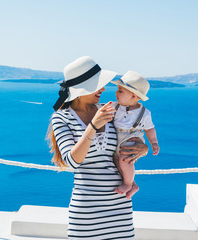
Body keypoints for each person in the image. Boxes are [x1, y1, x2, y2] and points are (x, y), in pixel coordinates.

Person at [48, 56, 148, 239]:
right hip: (86, 213)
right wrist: (93, 126)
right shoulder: (61, 118)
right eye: (97, 85)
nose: (103, 89)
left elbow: (130, 138)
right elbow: (71, 163)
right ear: (81, 88)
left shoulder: (110, 110)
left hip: (120, 208)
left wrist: (143, 148)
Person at [111, 70, 159, 199]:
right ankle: (133, 185)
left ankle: (127, 184)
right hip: (118, 138)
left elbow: (149, 129)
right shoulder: (115, 106)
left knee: (125, 160)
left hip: (131, 137)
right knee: (118, 163)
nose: (116, 93)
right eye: (117, 90)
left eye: (120, 91)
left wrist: (154, 143)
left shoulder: (144, 113)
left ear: (134, 96)